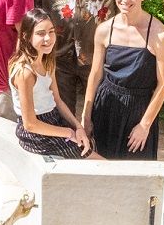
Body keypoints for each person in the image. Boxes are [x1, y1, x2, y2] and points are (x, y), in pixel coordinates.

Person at [81, 0, 164, 161]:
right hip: (106, 107)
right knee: (103, 168)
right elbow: (95, 75)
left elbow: (163, 84)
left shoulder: (159, 34)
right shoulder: (104, 30)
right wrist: (86, 117)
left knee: (138, 171)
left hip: (139, 111)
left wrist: (144, 125)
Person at [8, 10, 97, 159]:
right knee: (91, 156)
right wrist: (68, 132)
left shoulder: (47, 61)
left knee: (89, 143)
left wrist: (78, 127)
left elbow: (57, 100)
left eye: (51, 31)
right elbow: (30, 124)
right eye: (40, 33)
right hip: (36, 134)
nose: (48, 38)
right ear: (26, 36)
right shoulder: (25, 73)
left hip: (52, 118)